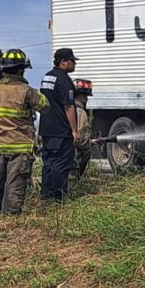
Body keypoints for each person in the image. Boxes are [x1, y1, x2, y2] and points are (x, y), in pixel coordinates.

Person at [0, 49, 47, 215]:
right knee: (15, 183)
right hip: (20, 147)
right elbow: (45, 106)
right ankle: (10, 215)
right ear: (21, 69)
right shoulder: (26, 91)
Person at [39, 48, 79, 202]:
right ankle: (59, 197)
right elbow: (68, 106)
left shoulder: (47, 77)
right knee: (61, 163)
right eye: (72, 61)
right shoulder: (64, 80)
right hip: (61, 130)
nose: (74, 64)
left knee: (48, 162)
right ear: (63, 62)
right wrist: (74, 130)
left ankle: (46, 194)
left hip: (47, 128)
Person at [69, 78, 93, 181]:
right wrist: (89, 142)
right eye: (84, 96)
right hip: (73, 158)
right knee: (86, 152)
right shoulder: (80, 112)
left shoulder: (67, 108)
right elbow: (82, 140)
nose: (86, 99)